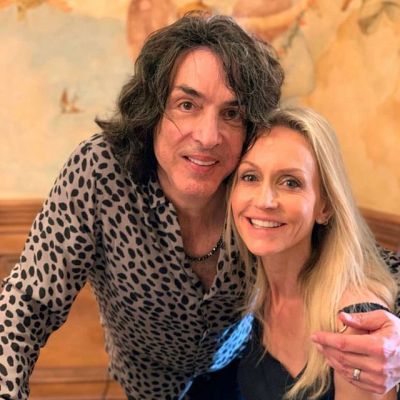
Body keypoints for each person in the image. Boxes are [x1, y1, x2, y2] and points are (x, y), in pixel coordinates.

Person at [0, 12, 398, 400]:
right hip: (149, 382)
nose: (208, 136)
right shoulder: (100, 171)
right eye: (187, 105)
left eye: (232, 113)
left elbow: (362, 257)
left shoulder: (250, 179)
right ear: (153, 108)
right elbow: (24, 306)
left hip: (240, 369)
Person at [227, 106, 398, 399]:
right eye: (250, 177)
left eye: (290, 182)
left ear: (325, 207)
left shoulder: (354, 324)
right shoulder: (246, 288)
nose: (265, 200)